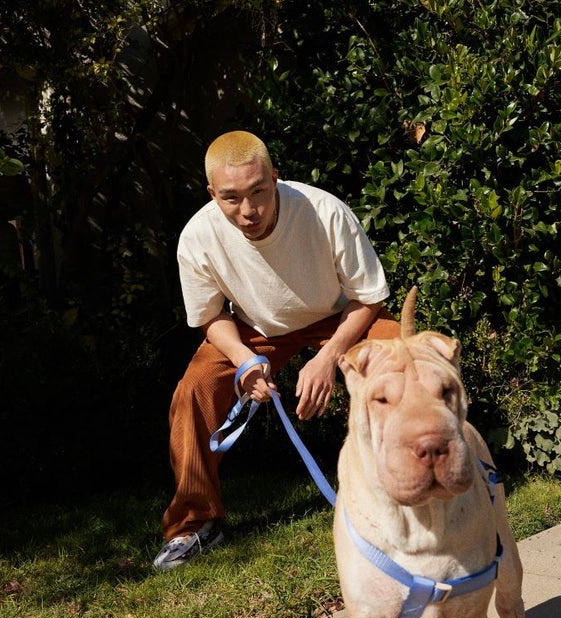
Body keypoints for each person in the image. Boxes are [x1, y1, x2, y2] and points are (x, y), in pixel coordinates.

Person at [153, 130, 401, 571]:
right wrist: (246, 361)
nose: (248, 211)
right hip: (254, 329)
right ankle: (194, 525)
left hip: (335, 319)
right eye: (230, 198)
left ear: (275, 178)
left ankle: (411, 492)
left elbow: (368, 297)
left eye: (258, 192)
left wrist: (328, 358)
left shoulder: (324, 211)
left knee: (401, 355)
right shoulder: (197, 236)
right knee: (194, 390)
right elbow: (212, 317)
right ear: (212, 194)